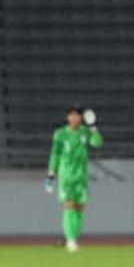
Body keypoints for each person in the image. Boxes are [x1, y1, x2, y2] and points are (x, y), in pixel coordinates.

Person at [45, 105, 103, 252]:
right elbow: (55, 154)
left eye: (77, 115)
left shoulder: (85, 132)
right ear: (68, 117)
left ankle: (73, 237)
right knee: (68, 205)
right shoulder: (60, 134)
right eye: (71, 115)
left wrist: (93, 127)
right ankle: (71, 240)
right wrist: (51, 174)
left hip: (81, 175)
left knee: (79, 207)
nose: (74, 118)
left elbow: (97, 143)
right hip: (66, 175)